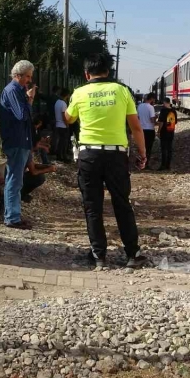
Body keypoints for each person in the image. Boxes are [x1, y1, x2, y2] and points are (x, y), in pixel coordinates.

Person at [64, 53, 148, 269]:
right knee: (122, 204)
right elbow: (136, 127)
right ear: (108, 72)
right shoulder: (121, 91)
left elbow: (69, 118)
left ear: (86, 73)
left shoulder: (79, 92)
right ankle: (132, 254)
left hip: (89, 155)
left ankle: (98, 255)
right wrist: (142, 152)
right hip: (116, 155)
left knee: (93, 206)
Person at [0, 60, 35, 229]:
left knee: (15, 179)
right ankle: (12, 218)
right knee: (14, 179)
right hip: (16, 140)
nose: (29, 80)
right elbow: (21, 115)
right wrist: (29, 101)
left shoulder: (18, 91)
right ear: (18, 75)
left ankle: (13, 215)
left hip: (21, 140)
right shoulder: (12, 91)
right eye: (27, 76)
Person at [156, 97, 177, 170]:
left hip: (164, 132)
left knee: (163, 149)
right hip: (171, 132)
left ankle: (163, 165)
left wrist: (158, 131)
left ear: (165, 102)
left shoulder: (163, 110)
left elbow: (161, 122)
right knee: (169, 148)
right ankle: (168, 165)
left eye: (163, 103)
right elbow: (175, 122)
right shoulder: (174, 111)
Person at [53, 88, 72, 162]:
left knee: (60, 141)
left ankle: (59, 155)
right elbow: (64, 115)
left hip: (58, 124)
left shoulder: (57, 102)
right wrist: (67, 124)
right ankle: (63, 156)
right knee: (64, 142)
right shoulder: (63, 103)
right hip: (63, 125)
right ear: (67, 95)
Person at [137, 93, 157, 165]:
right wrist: (156, 118)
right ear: (151, 99)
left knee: (141, 147)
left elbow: (138, 118)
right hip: (149, 130)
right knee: (148, 148)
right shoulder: (150, 107)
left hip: (141, 130)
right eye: (154, 99)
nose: (154, 100)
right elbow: (152, 120)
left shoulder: (139, 106)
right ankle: (146, 164)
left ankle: (139, 163)